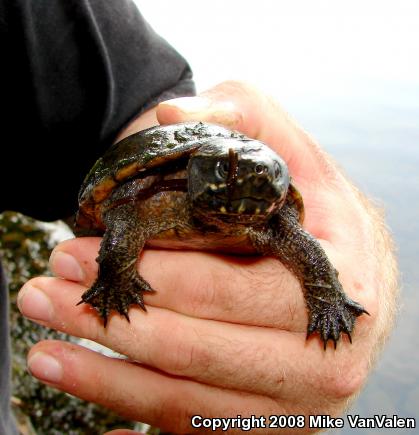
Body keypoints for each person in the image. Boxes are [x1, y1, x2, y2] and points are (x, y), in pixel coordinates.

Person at [1, 1, 398, 434]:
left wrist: (339, 289)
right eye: (229, 173)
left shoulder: (274, 225)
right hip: (151, 199)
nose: (244, 184)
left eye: (266, 180)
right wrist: (116, 274)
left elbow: (311, 253)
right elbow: (124, 207)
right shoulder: (154, 192)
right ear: (200, 171)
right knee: (126, 221)